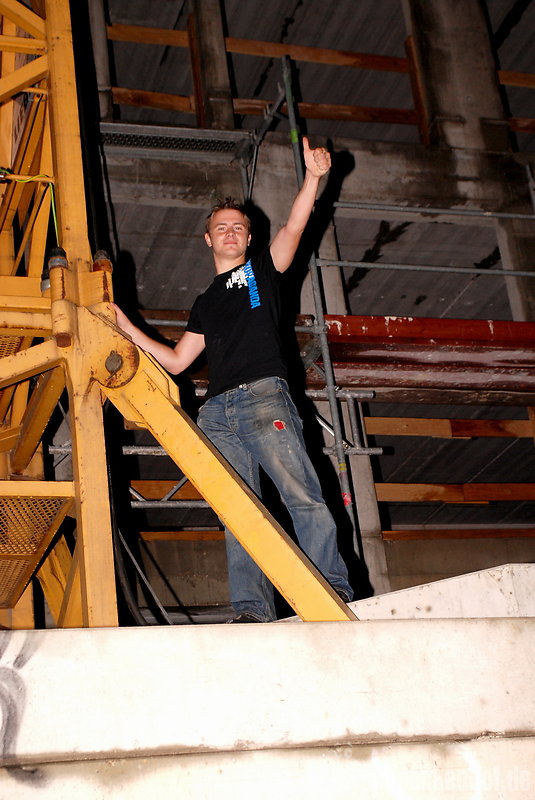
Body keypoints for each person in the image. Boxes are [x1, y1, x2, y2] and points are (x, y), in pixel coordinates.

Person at [113, 137, 353, 622]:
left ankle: (333, 588)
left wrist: (313, 179)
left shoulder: (262, 271)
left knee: (301, 495)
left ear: (247, 239)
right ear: (208, 239)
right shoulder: (205, 302)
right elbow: (177, 361)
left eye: (237, 228)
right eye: (221, 227)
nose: (229, 233)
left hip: (263, 397)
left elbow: (294, 227)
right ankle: (251, 608)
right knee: (239, 511)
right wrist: (124, 326)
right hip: (216, 413)